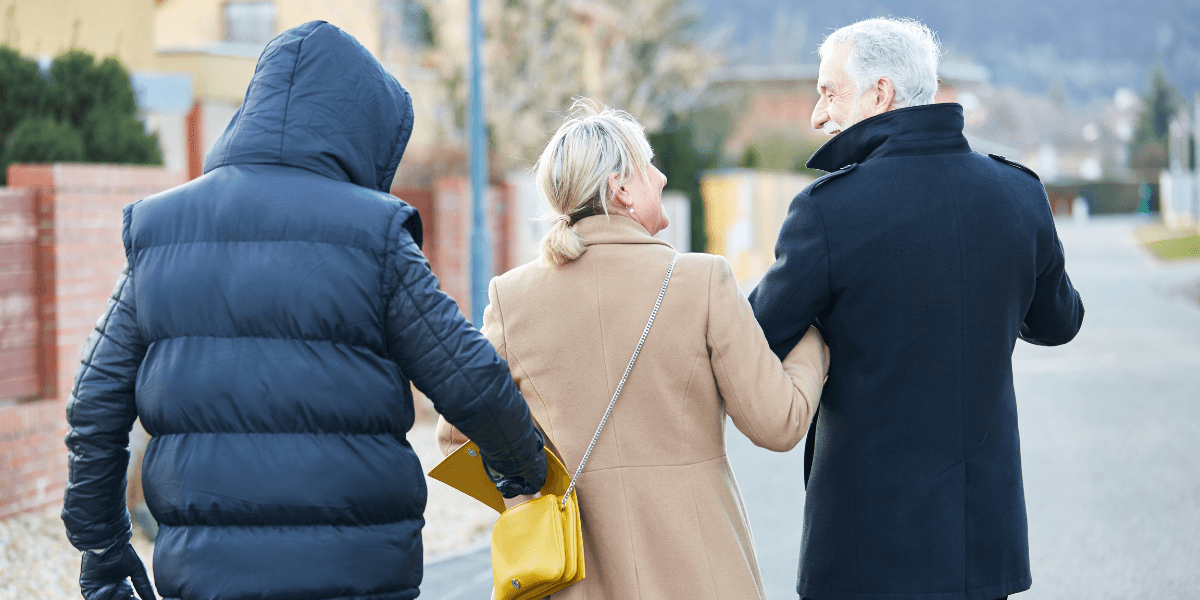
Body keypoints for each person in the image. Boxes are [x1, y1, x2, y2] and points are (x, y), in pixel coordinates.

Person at [60, 21, 546, 600]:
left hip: (208, 582)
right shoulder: (374, 236)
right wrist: (524, 473)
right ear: (363, 128)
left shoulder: (159, 232)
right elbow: (471, 380)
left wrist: (104, 548)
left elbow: (94, 406)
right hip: (357, 576)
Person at [436, 99, 830, 600]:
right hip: (702, 574)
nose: (662, 176)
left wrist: (535, 495)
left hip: (573, 580)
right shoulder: (701, 281)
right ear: (621, 187)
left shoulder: (511, 299)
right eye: (649, 165)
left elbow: (458, 434)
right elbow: (779, 423)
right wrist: (814, 334)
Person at [748, 17, 1085, 600]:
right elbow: (1060, 323)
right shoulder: (1019, 193)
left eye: (829, 91)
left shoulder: (828, 212)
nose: (817, 114)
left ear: (879, 93)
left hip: (867, 544)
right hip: (982, 537)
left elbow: (750, 341)